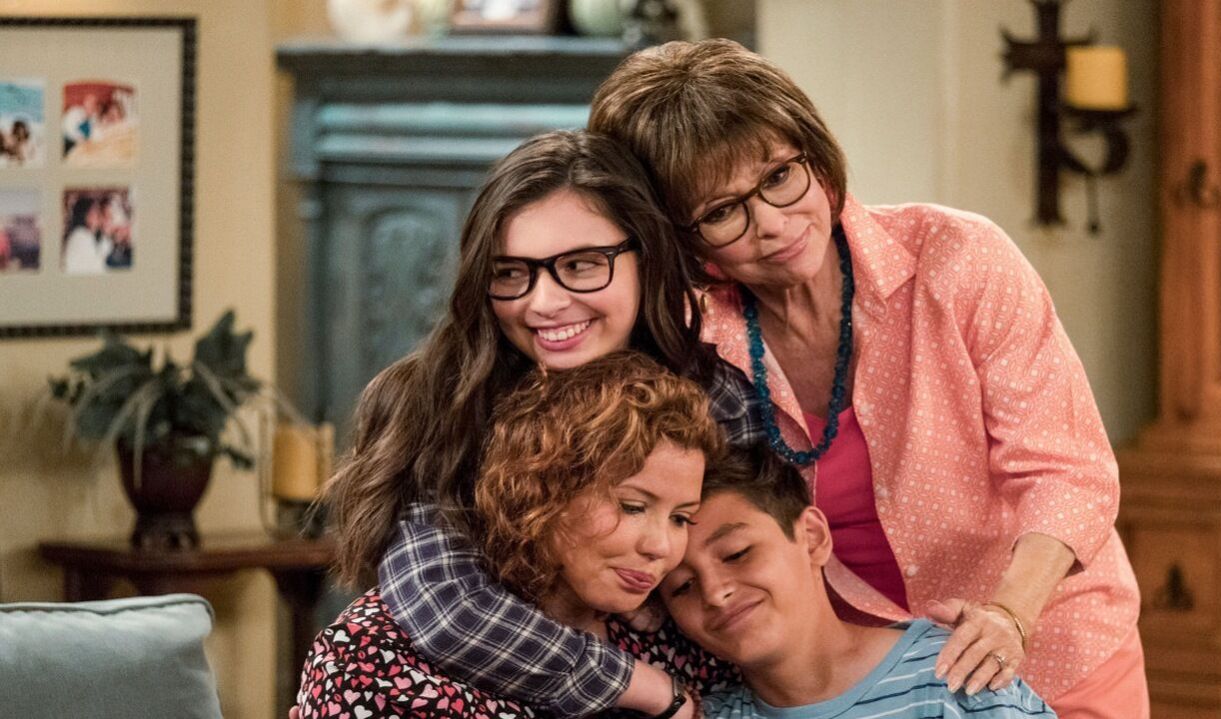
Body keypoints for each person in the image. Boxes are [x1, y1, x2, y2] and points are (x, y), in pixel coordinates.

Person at [587, 39, 1145, 717]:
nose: (772, 224)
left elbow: (1066, 471)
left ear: (815, 157)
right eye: (721, 212)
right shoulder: (689, 340)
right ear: (681, 237)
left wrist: (1009, 615)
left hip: (1046, 639)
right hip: (861, 681)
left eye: (778, 176)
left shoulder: (958, 257)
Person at [319, 130, 760, 719]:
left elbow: (754, 568)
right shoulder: (444, 403)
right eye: (510, 273)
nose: (543, 303)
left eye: (580, 265)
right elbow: (446, 607)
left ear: (647, 257)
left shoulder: (714, 399)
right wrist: (650, 690)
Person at [300, 352, 736, 718]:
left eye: (681, 518)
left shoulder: (676, 642)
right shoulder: (369, 656)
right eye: (632, 507)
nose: (661, 547)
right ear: (542, 488)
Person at [660, 444, 1057, 719]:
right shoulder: (703, 715)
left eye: (737, 554)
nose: (715, 592)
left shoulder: (955, 673)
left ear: (812, 537)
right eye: (681, 586)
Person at [62, 195, 109, 274]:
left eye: (98, 211)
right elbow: (96, 268)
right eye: (94, 211)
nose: (98, 215)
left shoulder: (90, 236)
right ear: (84, 214)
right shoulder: (80, 235)